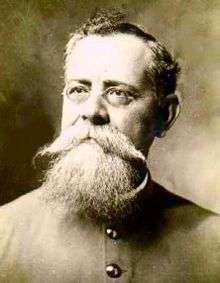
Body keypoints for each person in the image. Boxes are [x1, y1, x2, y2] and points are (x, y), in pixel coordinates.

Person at [0, 9, 219, 283]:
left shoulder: (214, 245)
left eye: (118, 93)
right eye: (78, 90)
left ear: (165, 116)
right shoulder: (3, 234)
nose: (92, 111)